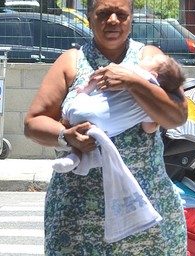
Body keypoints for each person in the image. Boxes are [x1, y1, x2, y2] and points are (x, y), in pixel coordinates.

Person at [24, 0, 188, 256]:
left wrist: (132, 81)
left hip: (145, 208)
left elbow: (176, 116)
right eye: (103, 14)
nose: (112, 20)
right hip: (79, 215)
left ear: (131, 18)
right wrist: (66, 137)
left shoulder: (150, 60)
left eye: (121, 14)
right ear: (89, 17)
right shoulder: (72, 62)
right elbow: (33, 122)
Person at [52, 53, 185, 174]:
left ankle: (73, 154)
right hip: (102, 128)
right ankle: (77, 158)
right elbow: (148, 128)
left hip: (80, 107)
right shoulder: (153, 105)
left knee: (74, 126)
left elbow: (100, 77)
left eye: (150, 58)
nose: (143, 58)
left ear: (154, 75)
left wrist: (86, 89)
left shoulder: (136, 72)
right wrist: (155, 122)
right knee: (88, 137)